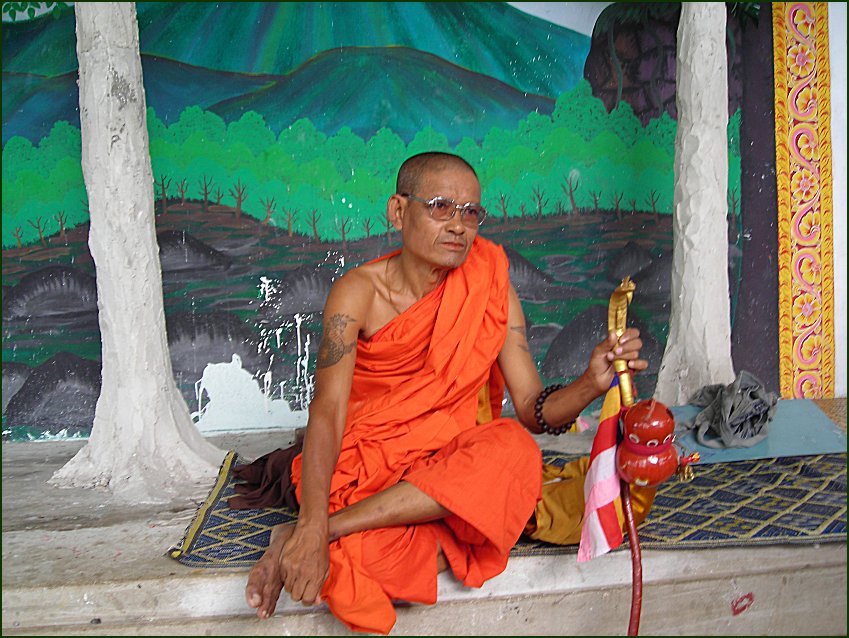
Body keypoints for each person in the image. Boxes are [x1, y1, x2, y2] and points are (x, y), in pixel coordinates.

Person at [239, 152, 648, 634]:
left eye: (471, 212)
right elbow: (326, 413)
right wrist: (312, 513)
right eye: (440, 207)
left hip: (443, 463)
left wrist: (590, 383)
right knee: (383, 558)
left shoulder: (490, 279)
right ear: (398, 211)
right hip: (367, 465)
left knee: (513, 449)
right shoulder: (357, 293)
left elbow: (534, 411)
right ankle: (320, 526)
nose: (459, 225)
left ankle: (321, 531)